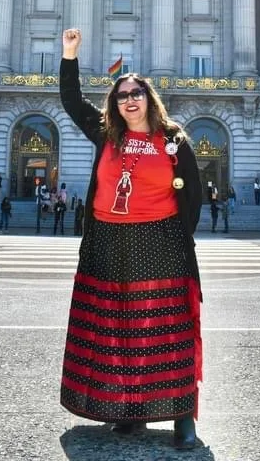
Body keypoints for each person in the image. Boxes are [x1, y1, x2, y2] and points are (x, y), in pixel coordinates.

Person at [59, 28, 203, 451]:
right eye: (122, 95)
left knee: (167, 333)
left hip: (159, 243)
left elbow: (191, 196)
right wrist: (70, 54)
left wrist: (175, 238)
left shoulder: (173, 139)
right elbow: (70, 101)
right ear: (115, 104)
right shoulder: (106, 134)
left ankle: (182, 419)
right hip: (106, 242)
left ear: (149, 98)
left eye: (137, 92)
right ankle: (125, 411)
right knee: (114, 329)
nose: (129, 100)